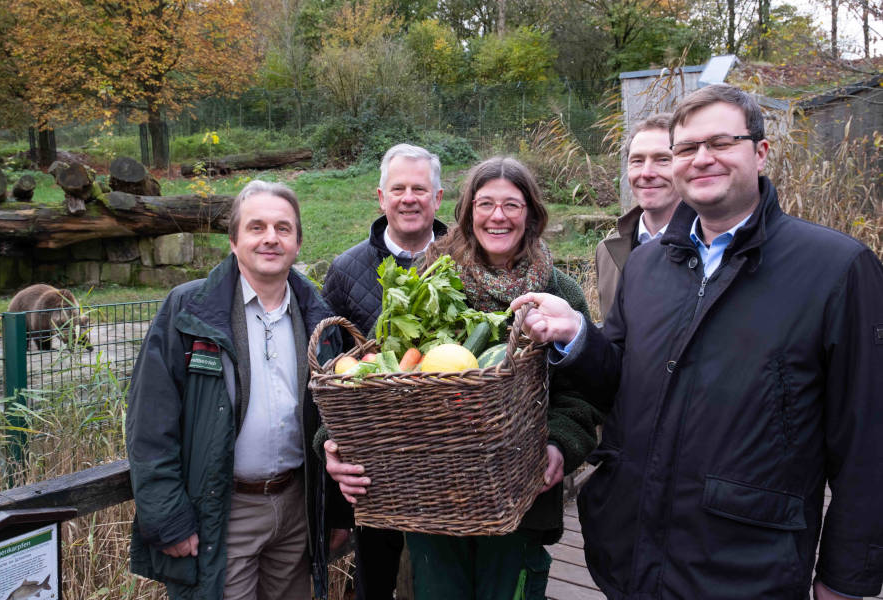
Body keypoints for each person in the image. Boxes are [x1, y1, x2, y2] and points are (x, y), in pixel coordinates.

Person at [511, 84, 883, 599]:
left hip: (744, 567)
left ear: (760, 151)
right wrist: (578, 334)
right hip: (631, 556)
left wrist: (845, 579)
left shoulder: (836, 268)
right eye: (686, 148)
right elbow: (617, 378)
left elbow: (868, 440)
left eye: (721, 142)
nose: (701, 159)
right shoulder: (647, 263)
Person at [325, 156, 609, 599]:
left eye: (512, 205)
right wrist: (337, 442)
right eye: (485, 203)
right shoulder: (430, 279)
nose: (498, 216)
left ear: (531, 213)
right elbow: (374, 371)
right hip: (433, 500)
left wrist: (559, 443)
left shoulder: (558, 292)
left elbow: (583, 395)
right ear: (466, 211)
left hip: (522, 498)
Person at [126, 180, 340, 599]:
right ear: (233, 240)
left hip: (296, 507)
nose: (270, 239)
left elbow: (337, 423)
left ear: (297, 242)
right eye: (256, 227)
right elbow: (150, 424)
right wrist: (168, 517)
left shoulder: (320, 318)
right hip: (222, 510)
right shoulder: (188, 311)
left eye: (283, 228)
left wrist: (331, 512)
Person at [320, 144, 448, 600]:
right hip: (373, 467)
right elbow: (326, 377)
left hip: (450, 462)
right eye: (399, 189)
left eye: (420, 188)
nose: (409, 198)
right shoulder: (345, 269)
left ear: (438, 198)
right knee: (373, 582)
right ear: (381, 197)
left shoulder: (465, 261)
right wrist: (332, 452)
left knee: (443, 581)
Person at [595, 112, 681, 318]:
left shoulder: (712, 246)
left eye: (662, 159)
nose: (646, 173)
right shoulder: (607, 252)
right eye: (637, 161)